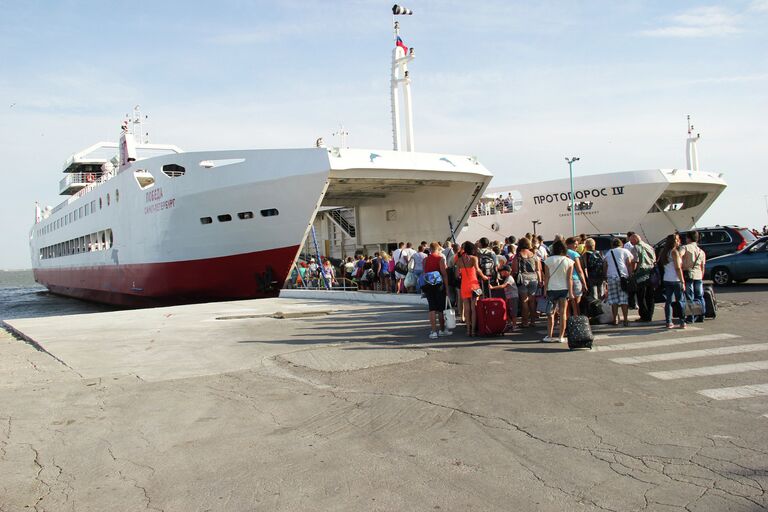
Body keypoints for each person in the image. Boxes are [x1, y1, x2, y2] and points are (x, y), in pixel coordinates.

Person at [542, 240, 574, 343]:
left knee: (550, 313)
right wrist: (571, 292)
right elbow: (569, 278)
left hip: (551, 288)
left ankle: (549, 335)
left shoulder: (548, 261)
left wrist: (545, 289)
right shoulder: (569, 261)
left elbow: (546, 277)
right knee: (563, 313)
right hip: (564, 289)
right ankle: (561, 336)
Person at [456, 241, 490, 337]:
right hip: (474, 285)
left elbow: (457, 274)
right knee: (473, 308)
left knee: (466, 309)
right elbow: (478, 270)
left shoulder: (459, 260)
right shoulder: (474, 258)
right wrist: (484, 277)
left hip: (464, 285)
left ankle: (468, 330)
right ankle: (474, 330)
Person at [422, 242, 452, 339]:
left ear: (430, 249)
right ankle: (442, 330)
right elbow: (444, 275)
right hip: (439, 286)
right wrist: (447, 289)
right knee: (440, 309)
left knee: (432, 308)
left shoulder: (425, 260)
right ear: (438, 249)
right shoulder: (440, 259)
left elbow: (424, 272)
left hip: (428, 286)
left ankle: (434, 332)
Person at [603, 238, 634, 326]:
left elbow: (605, 265)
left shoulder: (609, 253)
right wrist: (631, 274)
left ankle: (615, 319)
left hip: (611, 277)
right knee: (624, 299)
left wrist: (605, 276)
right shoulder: (625, 251)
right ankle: (625, 319)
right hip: (623, 277)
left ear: (612, 245)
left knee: (613, 300)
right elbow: (628, 263)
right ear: (621, 244)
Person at [658, 233, 687, 329]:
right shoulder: (674, 252)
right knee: (680, 301)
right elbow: (678, 268)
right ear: (675, 241)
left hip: (667, 278)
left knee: (668, 301)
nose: (679, 242)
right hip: (676, 279)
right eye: (678, 240)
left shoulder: (664, 252)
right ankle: (682, 321)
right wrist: (682, 281)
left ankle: (668, 321)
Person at [510, 237, 540, 328]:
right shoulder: (534, 255)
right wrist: (540, 280)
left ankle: (525, 322)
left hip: (523, 279)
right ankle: (533, 321)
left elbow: (515, 270)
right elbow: (538, 269)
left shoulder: (518, 255)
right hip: (534, 279)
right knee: (532, 301)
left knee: (524, 301)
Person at [680, 230, 706, 323]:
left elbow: (679, 256)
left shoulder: (685, 248)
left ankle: (691, 317)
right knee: (699, 296)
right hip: (698, 274)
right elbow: (703, 266)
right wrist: (701, 275)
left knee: (689, 296)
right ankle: (701, 315)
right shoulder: (701, 251)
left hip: (688, 274)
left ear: (688, 238)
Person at [630, 233, 657, 322]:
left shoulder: (636, 248)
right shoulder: (649, 247)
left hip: (641, 274)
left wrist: (632, 272)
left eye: (631, 240)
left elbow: (635, 261)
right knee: (650, 296)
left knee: (641, 296)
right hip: (651, 272)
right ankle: (650, 314)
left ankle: (644, 316)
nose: (630, 242)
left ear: (635, 240)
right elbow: (654, 259)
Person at [490, 265, 519, 331]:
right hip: (509, 297)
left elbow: (504, 286)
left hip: (513, 297)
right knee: (509, 311)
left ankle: (514, 326)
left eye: (502, 272)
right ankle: (510, 324)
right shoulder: (507, 278)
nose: (500, 273)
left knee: (513, 312)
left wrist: (493, 287)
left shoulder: (509, 278)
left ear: (506, 271)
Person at [565, 237, 587, 316]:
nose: (577, 246)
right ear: (570, 244)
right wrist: (584, 283)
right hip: (575, 279)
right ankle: (576, 318)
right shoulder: (574, 254)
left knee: (567, 303)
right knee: (577, 302)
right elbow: (579, 270)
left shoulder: (562, 253)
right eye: (575, 244)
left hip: (565, 280)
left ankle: (568, 320)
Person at [623, 232, 637, 310]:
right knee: (634, 287)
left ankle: (632, 303)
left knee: (630, 288)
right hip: (634, 266)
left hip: (630, 266)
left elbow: (627, 258)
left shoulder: (627, 245)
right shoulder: (635, 245)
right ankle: (634, 303)